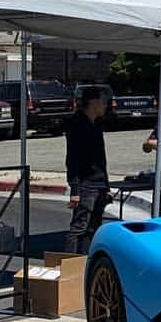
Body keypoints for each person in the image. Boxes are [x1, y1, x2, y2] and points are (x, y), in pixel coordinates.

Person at [65, 85, 111, 253]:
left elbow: (101, 159)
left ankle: (85, 262)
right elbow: (72, 159)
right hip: (85, 184)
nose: (105, 106)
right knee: (79, 227)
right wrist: (75, 188)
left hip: (99, 183)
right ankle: (69, 263)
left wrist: (106, 185)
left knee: (93, 227)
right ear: (93, 102)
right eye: (102, 102)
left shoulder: (97, 124)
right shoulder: (77, 125)